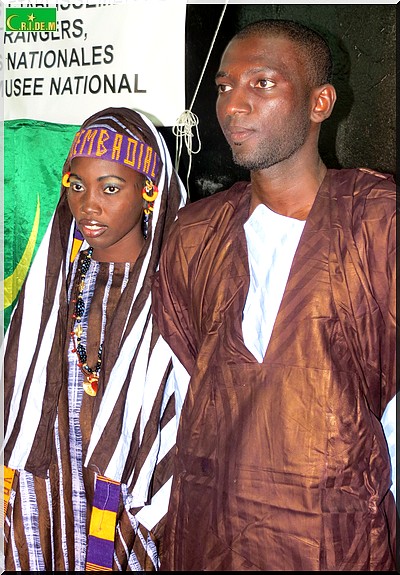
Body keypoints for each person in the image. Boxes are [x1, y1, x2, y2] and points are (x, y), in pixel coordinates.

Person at [152, 19, 397, 571]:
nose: (232, 106)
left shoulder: (378, 223)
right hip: (211, 533)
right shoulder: (196, 232)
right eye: (223, 86)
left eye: (262, 83)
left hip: (334, 538)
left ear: (320, 102)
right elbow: (188, 387)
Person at [3, 107, 187, 571]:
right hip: (52, 481)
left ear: (149, 192)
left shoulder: (175, 288)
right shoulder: (53, 285)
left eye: (110, 188)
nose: (88, 206)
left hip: (126, 488)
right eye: (77, 186)